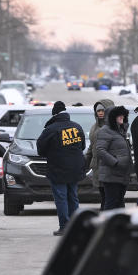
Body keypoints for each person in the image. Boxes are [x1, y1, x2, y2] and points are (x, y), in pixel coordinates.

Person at [36, 101, 86, 236]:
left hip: (58, 169)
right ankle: (76, 226)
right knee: (73, 197)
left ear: (54, 114)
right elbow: (82, 146)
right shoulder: (76, 127)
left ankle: (64, 226)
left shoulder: (50, 130)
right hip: (75, 168)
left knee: (61, 198)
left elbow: (40, 149)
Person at [92, 106, 133, 211]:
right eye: (119, 115)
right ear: (112, 117)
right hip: (111, 174)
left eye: (123, 115)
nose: (122, 117)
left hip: (122, 174)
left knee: (119, 203)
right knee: (111, 204)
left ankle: (119, 226)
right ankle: (107, 226)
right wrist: (115, 162)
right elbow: (100, 150)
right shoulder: (105, 131)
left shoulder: (121, 131)